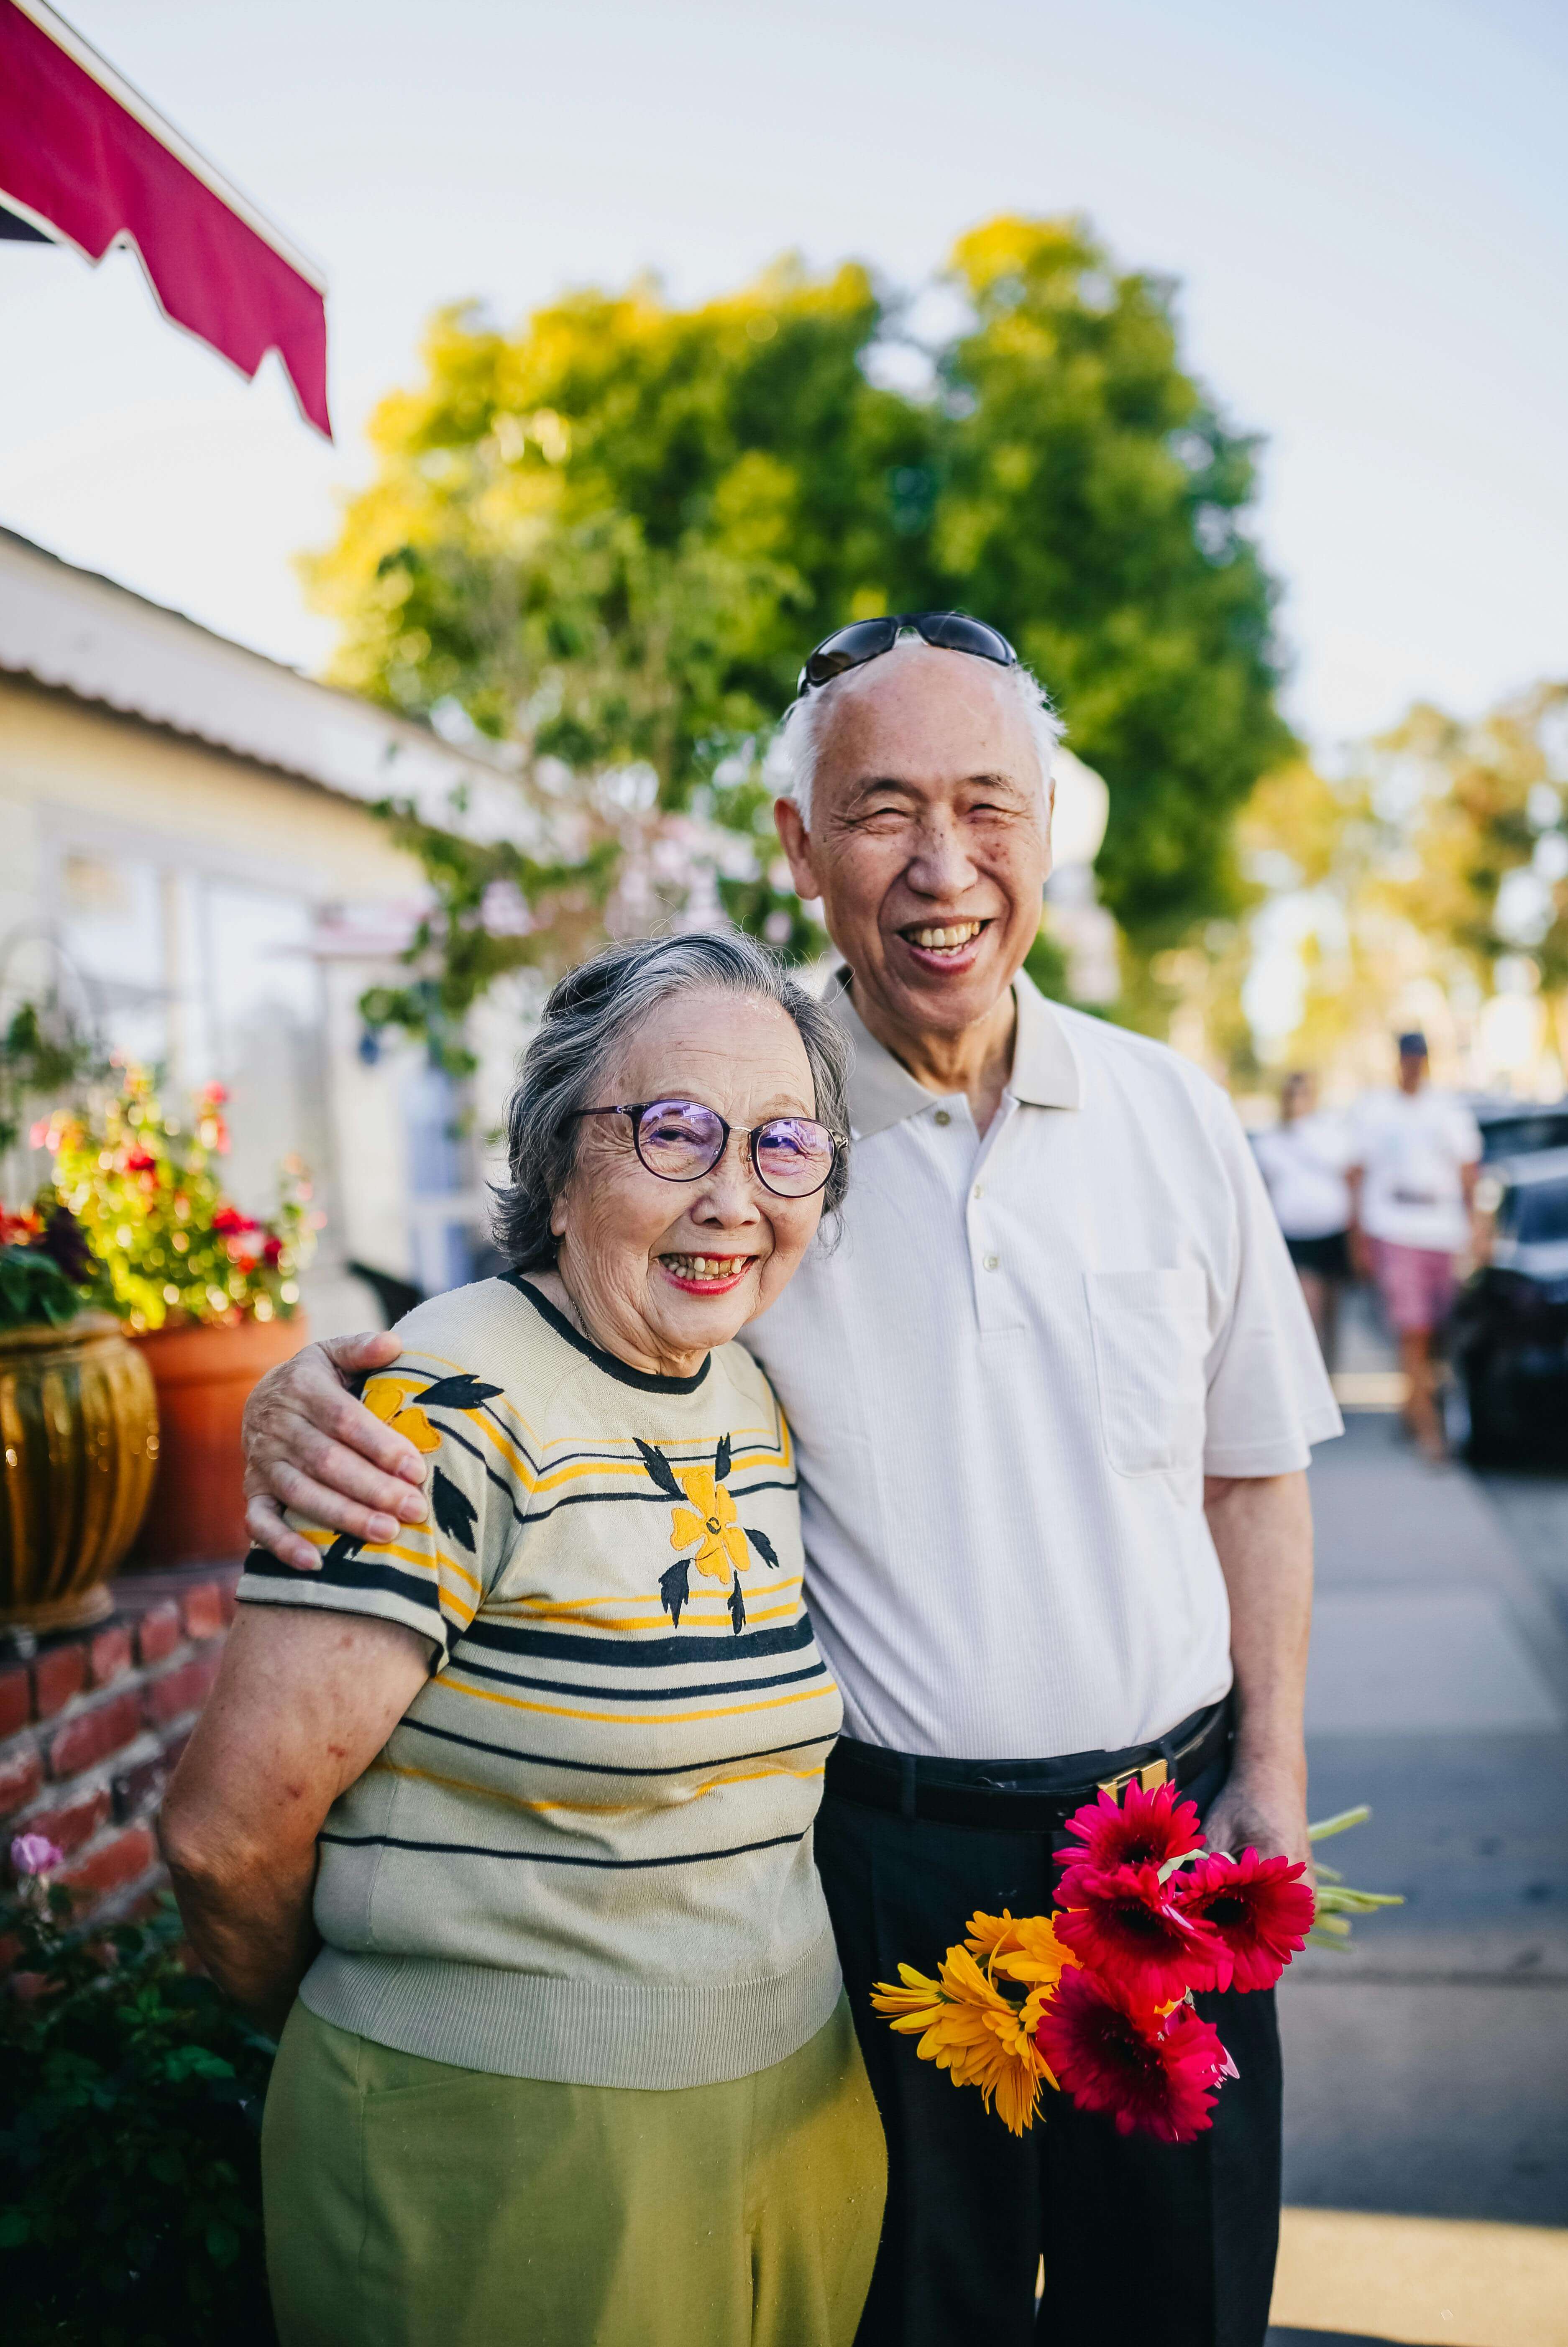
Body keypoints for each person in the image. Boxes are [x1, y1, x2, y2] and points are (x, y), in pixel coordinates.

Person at [240, 612, 1341, 2347]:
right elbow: (548, 1296)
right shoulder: (758, 1133)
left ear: (1050, 826)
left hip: (1168, 1842)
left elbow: (1255, 1468)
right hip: (882, 1871)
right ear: (798, 846)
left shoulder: (1174, 1115)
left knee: (1184, 2309)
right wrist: (301, 1384)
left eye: (990, 806)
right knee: (916, 2320)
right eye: (882, 808)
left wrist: (1270, 1773)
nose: (941, 865)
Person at [159, 932, 887, 2347]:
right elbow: (222, 1839)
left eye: (784, 1146)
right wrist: (407, 2028)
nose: (733, 1196)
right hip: (498, 2164)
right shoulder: (444, 1399)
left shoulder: (746, 1390)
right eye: (675, 1132)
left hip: (788, 2125)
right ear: (559, 1162)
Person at [1347, 1030, 1481, 1459]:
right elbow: (1357, 1174)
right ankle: (1429, 1433)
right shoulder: (1376, 1109)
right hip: (1396, 1227)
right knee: (1414, 1330)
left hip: (1442, 1230)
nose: (1413, 1064)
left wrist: (1477, 1229)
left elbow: (1468, 1172)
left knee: (1438, 1332)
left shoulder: (1447, 1108)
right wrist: (1360, 1240)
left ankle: (1414, 1409)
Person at [1252, 1070, 1353, 1368]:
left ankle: (1330, 1378)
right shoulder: (1271, 1141)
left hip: (1332, 1233)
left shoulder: (1331, 1133)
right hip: (1296, 1235)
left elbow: (1350, 1176)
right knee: (1310, 1312)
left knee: (1332, 1313)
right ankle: (1312, 1376)